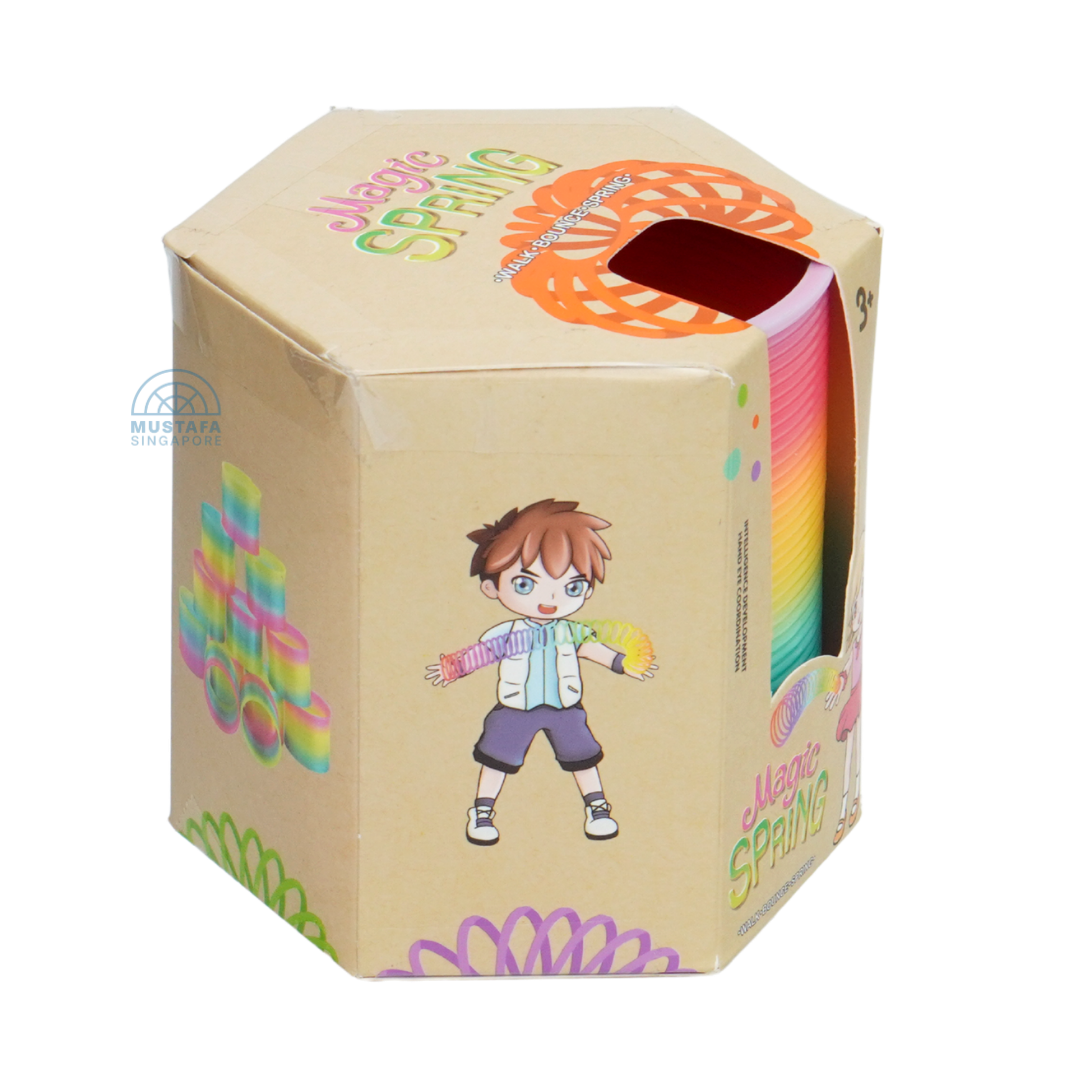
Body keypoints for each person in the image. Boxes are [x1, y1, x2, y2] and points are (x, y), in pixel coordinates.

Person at [426, 499, 656, 845]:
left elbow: (594, 650)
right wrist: (453, 668)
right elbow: (483, 654)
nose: (549, 600)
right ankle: (482, 811)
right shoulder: (508, 634)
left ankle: (597, 808)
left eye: (571, 587)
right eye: (524, 584)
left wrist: (623, 664)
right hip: (515, 709)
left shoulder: (571, 631)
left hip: (565, 708)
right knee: (496, 760)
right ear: (491, 587)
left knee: (583, 758)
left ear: (586, 591)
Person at [825, 584, 865, 844]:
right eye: (854, 613)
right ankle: (842, 814)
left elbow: (849, 666)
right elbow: (845, 671)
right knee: (848, 755)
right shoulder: (855, 648)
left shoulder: (857, 645)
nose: (853, 619)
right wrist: (838, 685)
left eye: (856, 613)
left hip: (854, 699)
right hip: (850, 702)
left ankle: (848, 809)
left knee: (849, 757)